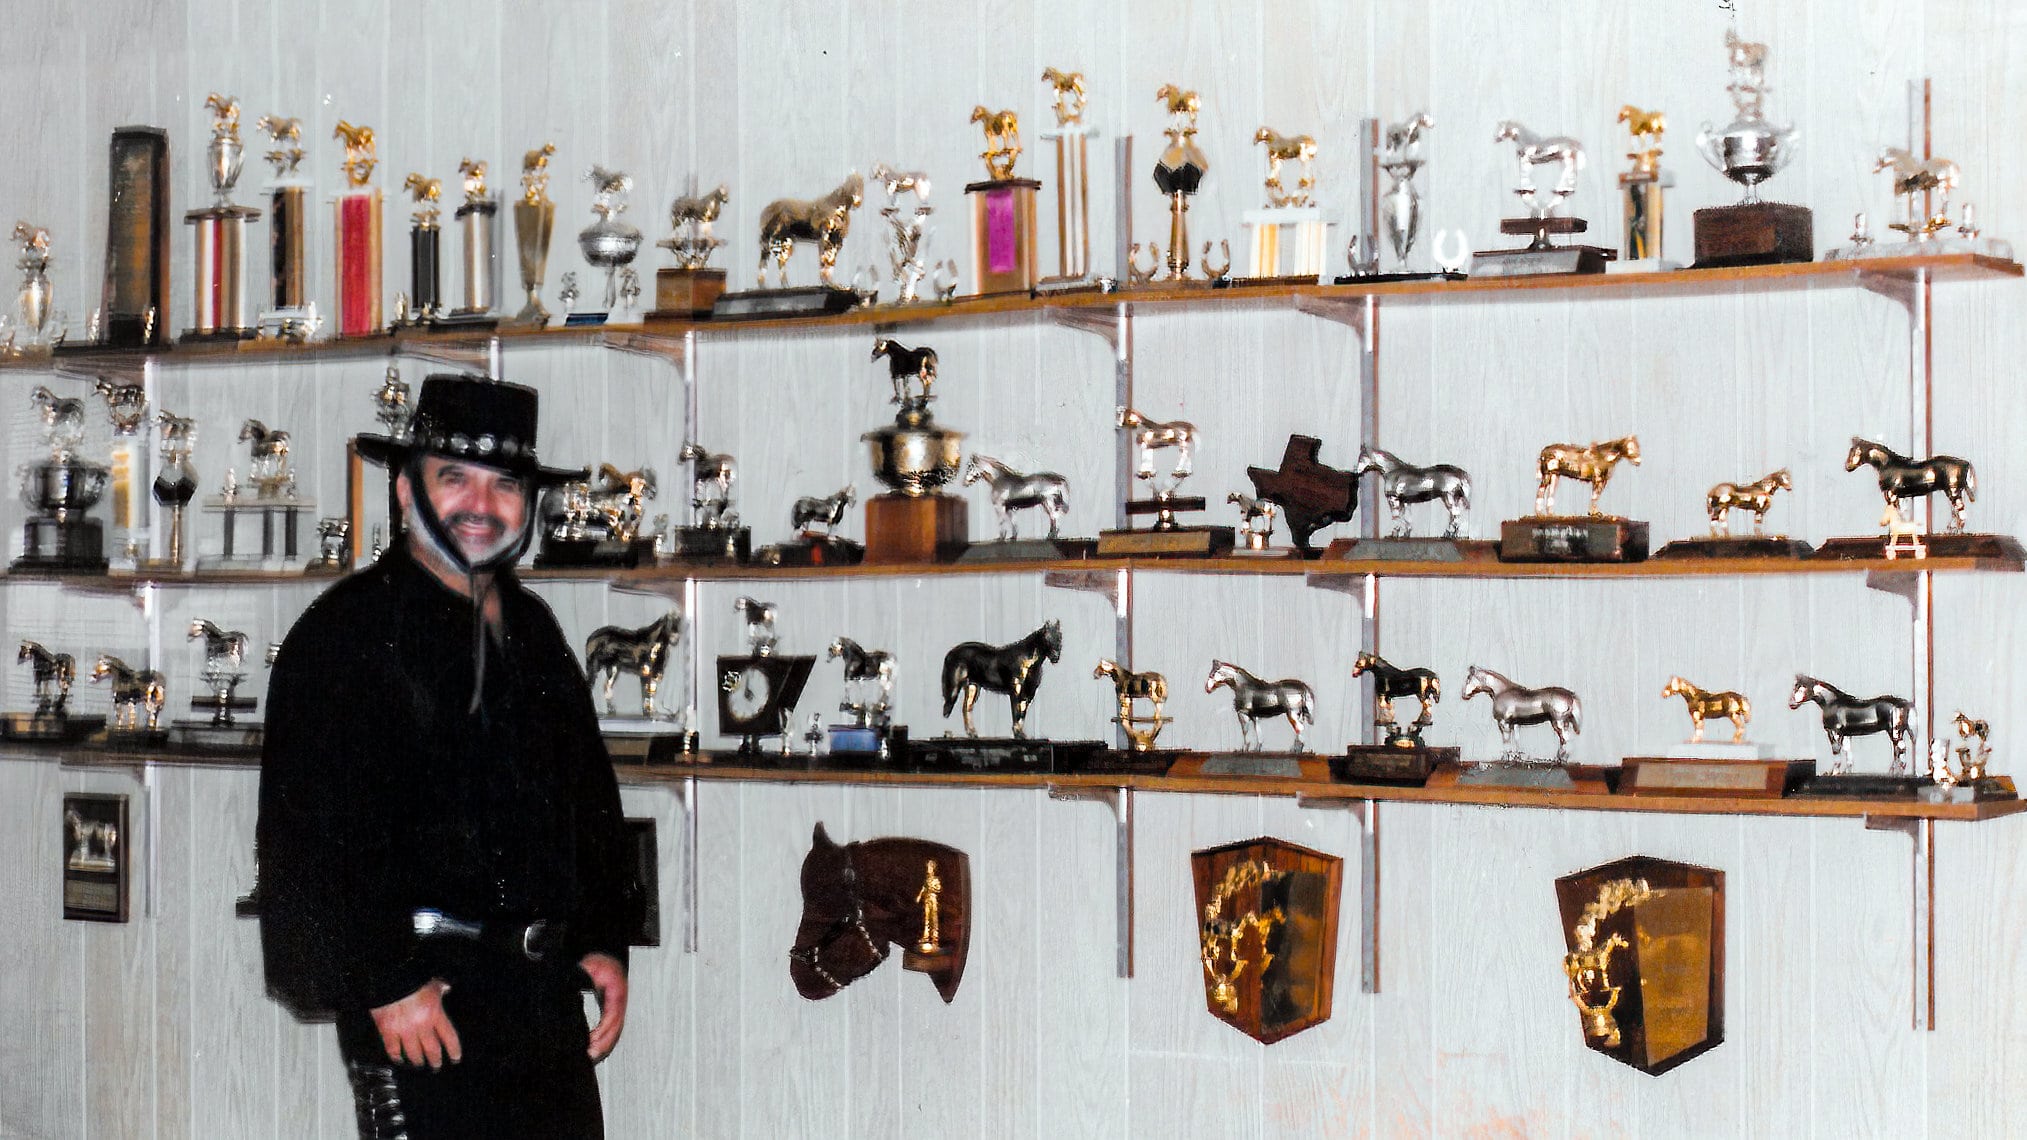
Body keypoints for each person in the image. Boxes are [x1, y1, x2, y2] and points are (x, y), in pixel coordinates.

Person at [257, 374, 639, 1139]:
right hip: (421, 1008)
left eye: (504, 485)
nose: (480, 505)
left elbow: (588, 800)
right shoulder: (345, 636)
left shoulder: (532, 630)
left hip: (540, 1002)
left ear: (528, 504)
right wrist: (385, 982)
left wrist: (601, 938)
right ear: (405, 490)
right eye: (453, 477)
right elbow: (302, 847)